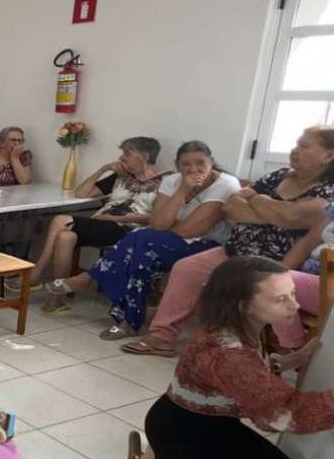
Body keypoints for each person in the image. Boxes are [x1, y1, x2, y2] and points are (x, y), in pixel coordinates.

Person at [130, 257, 333, 459]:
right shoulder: (227, 352)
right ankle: (158, 456)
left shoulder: (246, 324)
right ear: (243, 304)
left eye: (293, 294)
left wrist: (292, 359)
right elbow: (283, 415)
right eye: (280, 299)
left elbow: (253, 373)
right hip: (180, 431)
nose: (295, 306)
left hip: (213, 424)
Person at [124, 126, 334, 356]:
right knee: (187, 268)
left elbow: (292, 217)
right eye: (296, 144)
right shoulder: (279, 175)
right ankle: (162, 337)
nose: (295, 150)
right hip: (236, 251)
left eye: (304, 146)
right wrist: (276, 212)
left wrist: (257, 200)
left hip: (273, 262)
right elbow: (232, 206)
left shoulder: (329, 191)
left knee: (261, 288)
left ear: (328, 155)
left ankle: (280, 349)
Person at [41, 141, 239, 332]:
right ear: (178, 165)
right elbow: (159, 223)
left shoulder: (226, 184)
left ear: (211, 163)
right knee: (141, 254)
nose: (193, 169)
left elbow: (189, 231)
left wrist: (169, 224)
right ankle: (128, 321)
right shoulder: (173, 181)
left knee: (140, 239)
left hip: (209, 245)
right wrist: (182, 191)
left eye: (200, 163)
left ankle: (93, 280)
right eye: (186, 164)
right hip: (165, 238)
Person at [14, 136, 167, 290]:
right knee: (65, 236)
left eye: (127, 154)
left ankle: (36, 272)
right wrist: (104, 169)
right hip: (102, 225)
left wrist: (115, 217)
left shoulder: (167, 182)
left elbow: (160, 218)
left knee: (61, 220)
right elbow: (81, 193)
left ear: (145, 157)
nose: (121, 157)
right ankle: (58, 297)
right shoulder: (121, 176)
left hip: (129, 229)